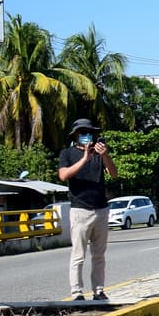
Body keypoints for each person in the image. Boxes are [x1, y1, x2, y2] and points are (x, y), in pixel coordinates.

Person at [57, 118, 117, 301]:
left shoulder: (100, 154)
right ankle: (77, 292)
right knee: (78, 255)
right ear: (75, 135)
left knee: (99, 255)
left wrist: (105, 156)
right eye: (82, 133)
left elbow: (114, 174)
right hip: (80, 210)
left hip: (101, 209)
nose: (86, 136)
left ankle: (98, 290)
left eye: (90, 133)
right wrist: (84, 159)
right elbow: (63, 175)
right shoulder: (67, 153)